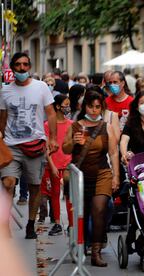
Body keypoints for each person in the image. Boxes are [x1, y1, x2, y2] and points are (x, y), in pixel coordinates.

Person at [0, 52, 59, 239]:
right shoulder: (5, 91)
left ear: (30, 66)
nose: (22, 68)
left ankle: (30, 224)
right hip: (11, 145)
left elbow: (51, 113)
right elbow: (2, 119)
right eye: (18, 65)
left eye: (25, 64)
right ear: (13, 68)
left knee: (35, 187)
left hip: (35, 145)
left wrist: (53, 138)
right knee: (8, 183)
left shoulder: (41, 87)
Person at [62, 90, 119, 267]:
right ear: (84, 106)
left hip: (102, 174)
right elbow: (65, 149)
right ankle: (81, 245)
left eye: (97, 107)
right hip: (80, 176)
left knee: (99, 209)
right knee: (83, 213)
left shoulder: (106, 127)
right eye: (91, 106)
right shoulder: (75, 126)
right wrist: (74, 142)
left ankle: (96, 253)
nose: (94, 110)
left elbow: (113, 152)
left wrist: (116, 175)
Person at [41, 94, 73, 236]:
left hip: (67, 165)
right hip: (53, 164)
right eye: (66, 104)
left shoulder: (71, 124)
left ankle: (71, 225)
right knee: (54, 194)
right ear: (58, 106)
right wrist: (52, 165)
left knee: (69, 195)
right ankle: (58, 223)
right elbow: (46, 147)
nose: (68, 107)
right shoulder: (47, 125)